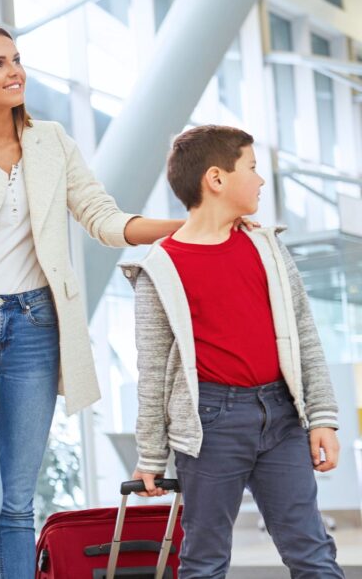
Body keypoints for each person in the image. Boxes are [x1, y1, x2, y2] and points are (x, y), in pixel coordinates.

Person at [0, 25, 185, 579]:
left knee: (16, 505)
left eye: (17, 60)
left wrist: (187, 225)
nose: (14, 72)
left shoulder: (51, 143)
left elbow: (103, 216)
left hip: (34, 328)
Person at [127, 125, 343, 578]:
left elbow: (304, 335)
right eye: (252, 167)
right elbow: (152, 369)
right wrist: (150, 456)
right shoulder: (160, 268)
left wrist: (322, 417)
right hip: (210, 425)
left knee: (312, 552)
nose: (261, 180)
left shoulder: (266, 246)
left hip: (282, 415)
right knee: (204, 561)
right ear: (216, 179)